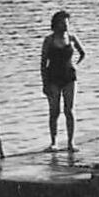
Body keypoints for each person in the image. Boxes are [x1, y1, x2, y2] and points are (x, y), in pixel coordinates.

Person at [40, 10, 87, 150]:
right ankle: (53, 142)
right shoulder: (49, 40)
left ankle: (70, 142)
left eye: (67, 22)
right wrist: (45, 83)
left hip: (69, 77)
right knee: (54, 111)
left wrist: (75, 65)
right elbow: (43, 63)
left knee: (69, 110)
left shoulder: (72, 38)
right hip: (53, 77)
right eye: (62, 22)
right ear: (56, 24)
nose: (65, 25)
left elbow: (83, 53)